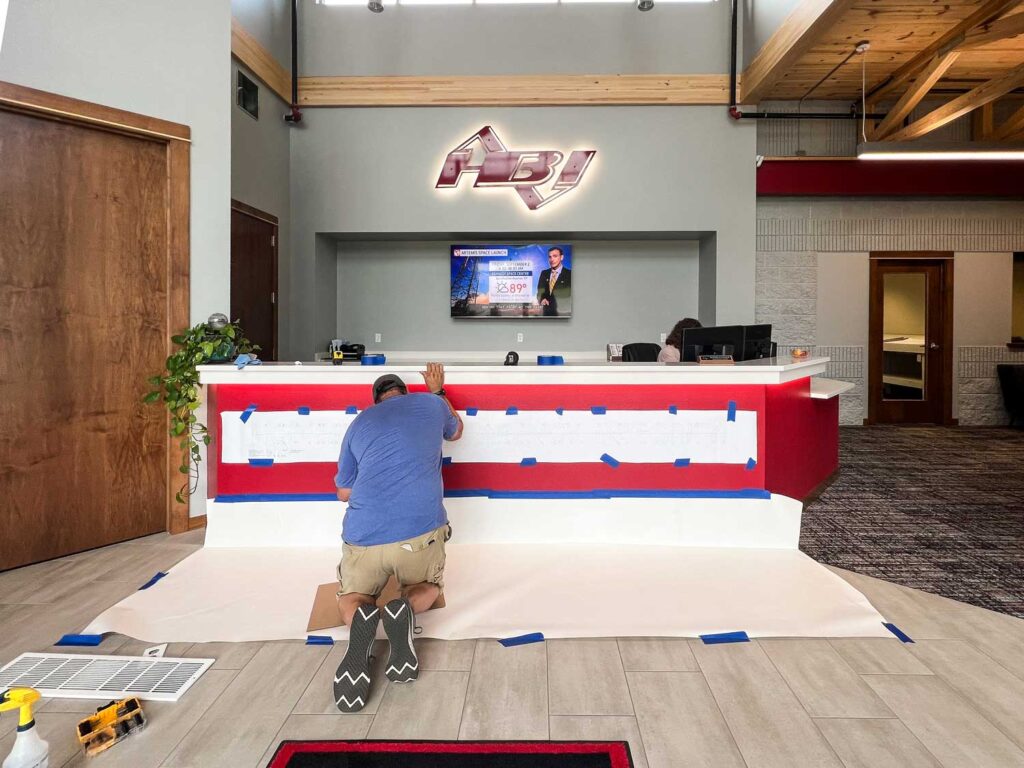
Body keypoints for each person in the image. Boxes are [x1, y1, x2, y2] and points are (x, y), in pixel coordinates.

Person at [332, 363, 463, 712]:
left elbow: (344, 492)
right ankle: (403, 607)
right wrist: (438, 391)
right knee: (429, 588)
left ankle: (362, 620)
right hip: (418, 536)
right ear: (405, 393)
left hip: (365, 537)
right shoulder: (432, 404)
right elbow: (457, 432)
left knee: (353, 597)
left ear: (376, 401)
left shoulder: (359, 423)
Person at [535, 246, 572, 316]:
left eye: (555, 256)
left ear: (561, 257)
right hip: (546, 314)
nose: (552, 259)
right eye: (550, 257)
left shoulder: (569, 274)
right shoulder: (544, 273)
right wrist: (542, 299)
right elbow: (540, 292)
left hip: (563, 314)